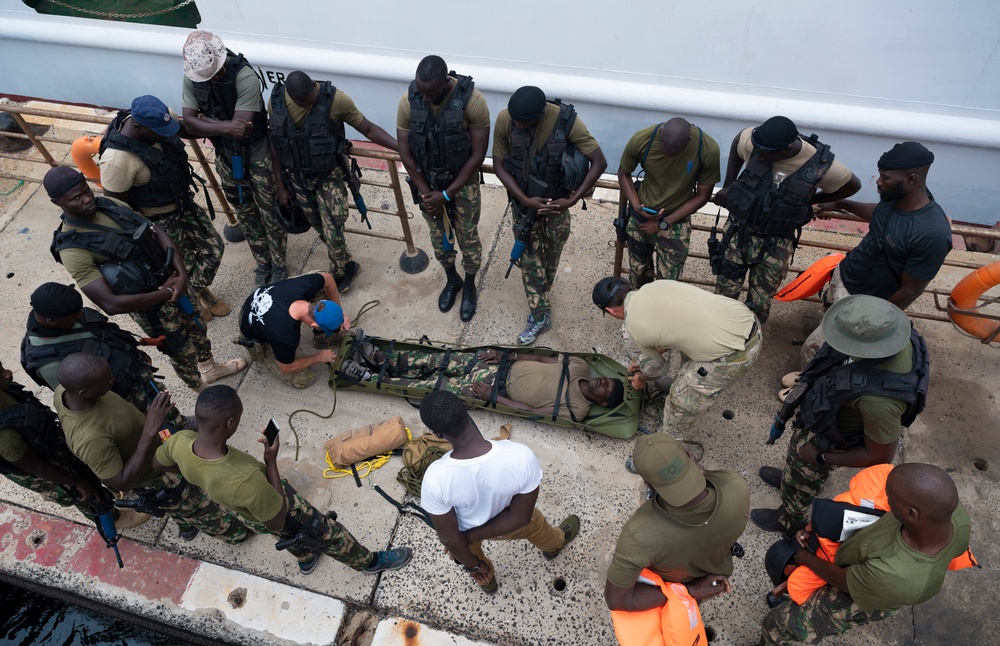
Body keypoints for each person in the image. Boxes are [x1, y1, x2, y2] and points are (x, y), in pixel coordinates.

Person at [153, 385, 413, 576]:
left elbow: (159, 463)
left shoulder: (178, 442)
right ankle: (369, 563)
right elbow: (277, 517)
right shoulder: (245, 481)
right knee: (327, 532)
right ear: (230, 423)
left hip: (247, 513)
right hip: (274, 506)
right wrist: (270, 461)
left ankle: (307, 557)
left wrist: (193, 472)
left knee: (288, 535)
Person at [47, 165, 246, 390]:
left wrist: (180, 275)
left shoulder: (111, 206)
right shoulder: (73, 249)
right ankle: (199, 387)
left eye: (86, 191)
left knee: (198, 329)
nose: (86, 199)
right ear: (58, 202)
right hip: (151, 308)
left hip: (173, 282)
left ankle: (210, 369)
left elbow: (157, 232)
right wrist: (167, 292)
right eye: (76, 198)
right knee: (179, 350)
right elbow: (110, 304)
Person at [751, 295, 929, 536]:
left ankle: (791, 519)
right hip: (827, 412)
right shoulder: (895, 331)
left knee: (804, 478)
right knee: (797, 468)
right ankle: (791, 479)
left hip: (830, 438)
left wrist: (821, 457)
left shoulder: (881, 401)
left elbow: (880, 455)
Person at [760, 463, 970, 644]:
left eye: (890, 496)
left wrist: (803, 557)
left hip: (865, 592)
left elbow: (841, 580)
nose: (885, 496)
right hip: (871, 577)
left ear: (911, 513)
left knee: (779, 626)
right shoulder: (952, 516)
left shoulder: (894, 575)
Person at [54, 353, 251, 543]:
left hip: (161, 454)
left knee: (181, 506)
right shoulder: (89, 440)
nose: (112, 380)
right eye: (105, 381)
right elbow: (121, 482)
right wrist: (149, 430)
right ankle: (236, 534)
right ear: (83, 392)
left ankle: (185, 524)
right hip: (157, 477)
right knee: (200, 508)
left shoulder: (65, 392)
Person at [799, 142, 952, 366]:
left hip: (866, 302)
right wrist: (842, 203)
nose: (878, 182)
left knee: (815, 353)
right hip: (847, 276)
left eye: (885, 177)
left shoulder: (932, 234)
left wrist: (870, 321)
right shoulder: (895, 199)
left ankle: (811, 385)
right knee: (829, 314)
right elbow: (879, 214)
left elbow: (910, 291)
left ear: (911, 179)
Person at [418, 390, 580, 594]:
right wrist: (469, 536)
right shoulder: (520, 455)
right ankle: (554, 547)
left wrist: (473, 563)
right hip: (510, 523)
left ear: (437, 434)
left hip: (465, 536)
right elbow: (521, 517)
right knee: (537, 526)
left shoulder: (434, 478)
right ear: (464, 404)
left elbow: (450, 539)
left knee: (472, 559)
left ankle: (488, 582)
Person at [712, 116, 861, 322]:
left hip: (776, 242)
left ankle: (748, 339)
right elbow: (739, 139)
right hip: (739, 231)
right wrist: (728, 184)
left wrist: (811, 201)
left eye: (765, 152)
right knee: (724, 293)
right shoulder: (754, 142)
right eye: (758, 149)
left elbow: (853, 185)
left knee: (759, 302)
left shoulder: (820, 164)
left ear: (787, 147)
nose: (759, 155)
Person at [492, 86, 608, 344]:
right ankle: (539, 315)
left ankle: (541, 295)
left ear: (541, 113)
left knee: (551, 259)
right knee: (530, 260)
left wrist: (572, 200)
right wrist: (525, 200)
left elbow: (599, 161)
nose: (519, 126)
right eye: (516, 121)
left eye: (524, 122)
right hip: (524, 206)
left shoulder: (566, 121)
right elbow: (498, 164)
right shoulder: (505, 119)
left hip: (557, 208)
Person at [99, 94, 229, 321]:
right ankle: (200, 296)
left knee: (214, 249)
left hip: (181, 202)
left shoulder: (159, 120)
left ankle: (195, 288)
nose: (165, 133)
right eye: (160, 131)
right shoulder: (117, 160)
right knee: (184, 262)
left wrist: (220, 130)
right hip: (157, 220)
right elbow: (117, 206)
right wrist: (147, 232)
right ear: (138, 127)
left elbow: (180, 129)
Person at [269, 71, 398, 293]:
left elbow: (368, 129)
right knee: (319, 227)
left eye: (311, 103)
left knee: (333, 230)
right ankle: (347, 263)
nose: (309, 109)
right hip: (298, 178)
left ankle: (336, 276)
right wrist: (280, 186)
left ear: (314, 86)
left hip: (329, 175)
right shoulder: (278, 102)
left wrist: (402, 150)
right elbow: (276, 144)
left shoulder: (336, 100)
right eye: (304, 105)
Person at [593, 277, 762, 444]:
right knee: (688, 345)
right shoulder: (655, 286)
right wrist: (644, 356)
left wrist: (640, 378)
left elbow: (656, 369)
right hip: (746, 320)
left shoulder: (630, 330)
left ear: (610, 311)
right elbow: (671, 331)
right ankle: (685, 379)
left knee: (680, 401)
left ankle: (664, 447)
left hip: (736, 355)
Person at [181, 30, 286, 287]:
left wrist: (206, 123)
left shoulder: (244, 76)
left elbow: (242, 125)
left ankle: (279, 264)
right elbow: (191, 122)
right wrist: (225, 128)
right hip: (226, 156)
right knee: (245, 212)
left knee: (270, 212)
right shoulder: (193, 73)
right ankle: (263, 262)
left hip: (258, 154)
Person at [604, 435, 748, 612]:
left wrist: (691, 591)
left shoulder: (637, 536)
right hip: (716, 572)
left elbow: (616, 601)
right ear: (690, 457)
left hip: (681, 587)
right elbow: (714, 480)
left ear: (648, 484)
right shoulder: (735, 484)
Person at [396, 55, 490, 321]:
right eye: (421, 92)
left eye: (432, 93)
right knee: (439, 240)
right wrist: (428, 194)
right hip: (428, 182)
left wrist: (447, 194)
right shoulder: (408, 101)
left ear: (446, 82)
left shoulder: (473, 102)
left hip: (462, 182)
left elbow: (477, 155)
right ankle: (453, 280)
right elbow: (406, 153)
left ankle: (470, 284)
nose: (425, 99)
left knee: (468, 238)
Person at [0, 360, 147, 530]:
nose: (8, 373)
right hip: (36, 466)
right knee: (84, 493)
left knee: (85, 468)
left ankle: (105, 487)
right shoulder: (5, 437)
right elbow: (37, 468)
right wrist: (79, 483)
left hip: (43, 441)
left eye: (2, 367)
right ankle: (113, 518)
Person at [20, 282, 182, 426]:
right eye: (74, 316)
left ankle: (180, 423)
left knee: (168, 410)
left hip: (136, 375)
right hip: (128, 401)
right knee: (164, 431)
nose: (80, 315)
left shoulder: (65, 313)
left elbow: (106, 334)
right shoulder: (49, 362)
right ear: (51, 321)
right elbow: (84, 401)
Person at [341, 343, 624, 420]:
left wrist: (493, 398)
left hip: (493, 389)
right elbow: (541, 359)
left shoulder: (577, 409)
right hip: (498, 367)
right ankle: (379, 357)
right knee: (437, 361)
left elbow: (533, 411)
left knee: (433, 388)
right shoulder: (579, 365)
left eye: (606, 388)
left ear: (602, 400)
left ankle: (370, 377)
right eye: (607, 380)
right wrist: (507, 355)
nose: (602, 382)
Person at [618, 117, 721, 287]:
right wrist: (636, 204)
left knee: (667, 285)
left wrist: (664, 223)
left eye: (673, 153)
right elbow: (623, 173)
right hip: (641, 217)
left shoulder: (707, 149)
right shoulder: (642, 139)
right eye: (663, 150)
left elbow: (703, 195)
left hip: (675, 223)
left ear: (688, 141)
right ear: (660, 133)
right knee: (638, 276)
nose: (666, 156)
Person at [238, 272, 350, 389]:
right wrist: (319, 357)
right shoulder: (286, 335)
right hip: (249, 324)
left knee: (321, 283)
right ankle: (263, 349)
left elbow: (328, 278)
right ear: (314, 324)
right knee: (305, 379)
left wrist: (339, 313)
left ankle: (321, 338)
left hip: (258, 299)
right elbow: (285, 367)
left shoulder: (302, 286)